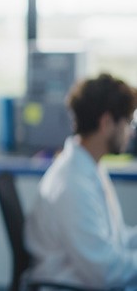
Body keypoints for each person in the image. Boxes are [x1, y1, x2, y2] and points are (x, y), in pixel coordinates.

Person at [25, 73, 137, 289]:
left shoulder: (88, 166)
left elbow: (113, 239)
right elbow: (106, 272)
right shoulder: (72, 183)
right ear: (106, 123)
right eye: (128, 122)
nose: (131, 132)